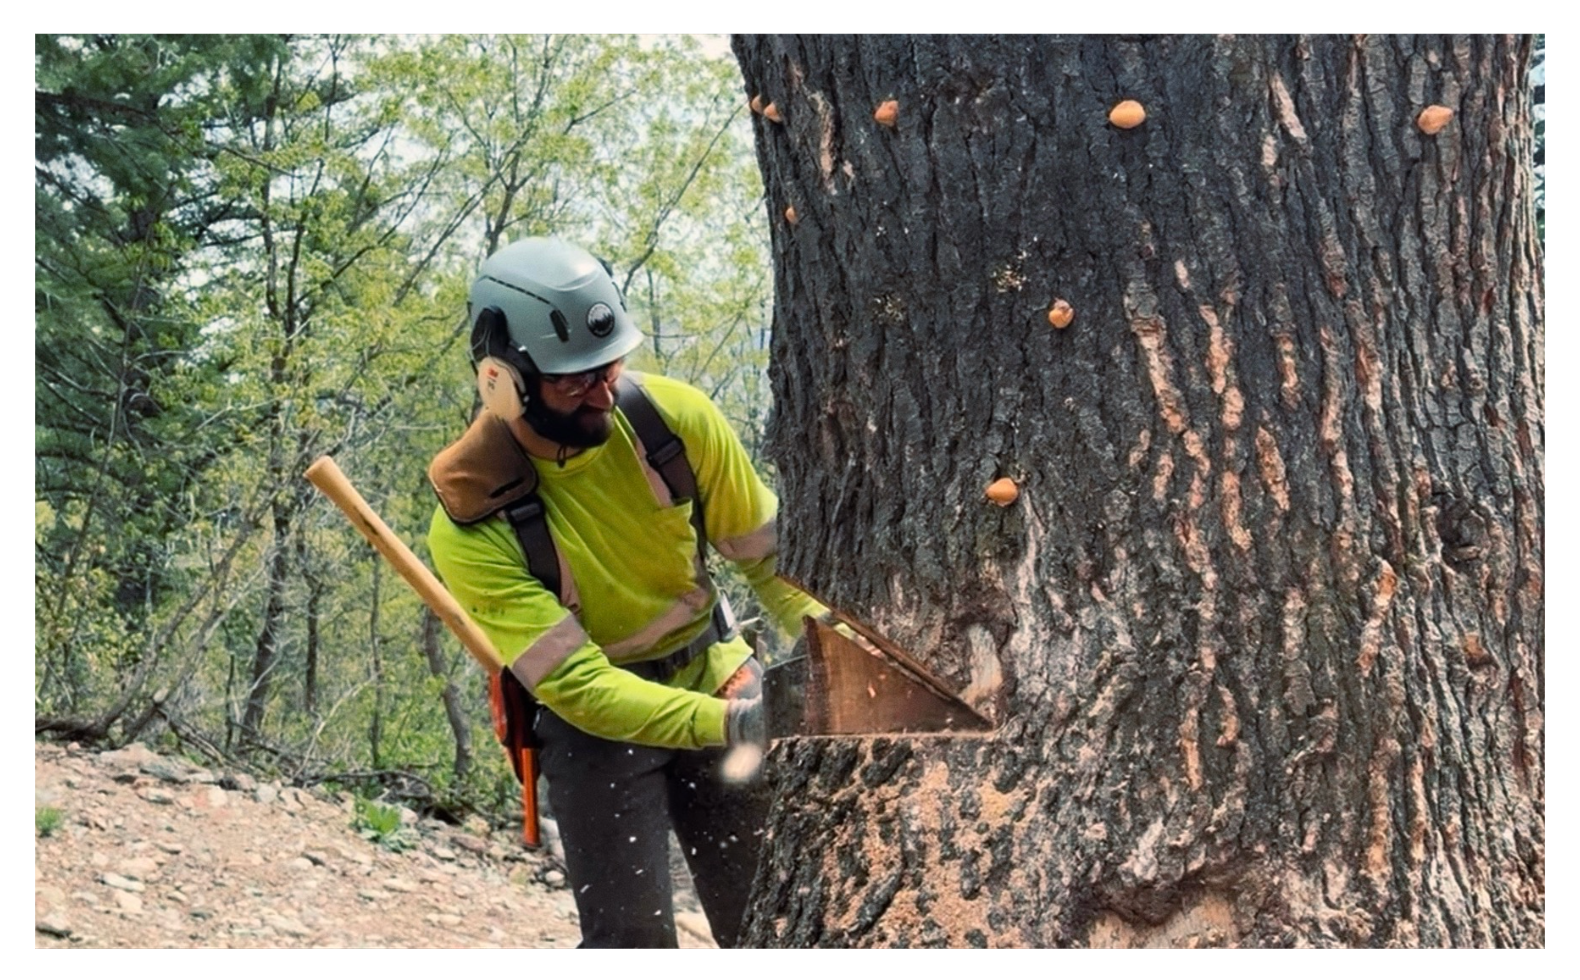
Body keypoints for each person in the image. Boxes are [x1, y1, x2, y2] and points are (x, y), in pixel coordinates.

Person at [426, 236, 827, 948]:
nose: (603, 391)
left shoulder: (670, 423)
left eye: (607, 367)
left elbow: (777, 566)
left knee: (770, 923)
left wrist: (835, 653)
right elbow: (580, 687)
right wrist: (736, 725)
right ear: (502, 379)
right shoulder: (471, 520)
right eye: (573, 382)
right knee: (629, 941)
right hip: (597, 725)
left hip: (716, 674)